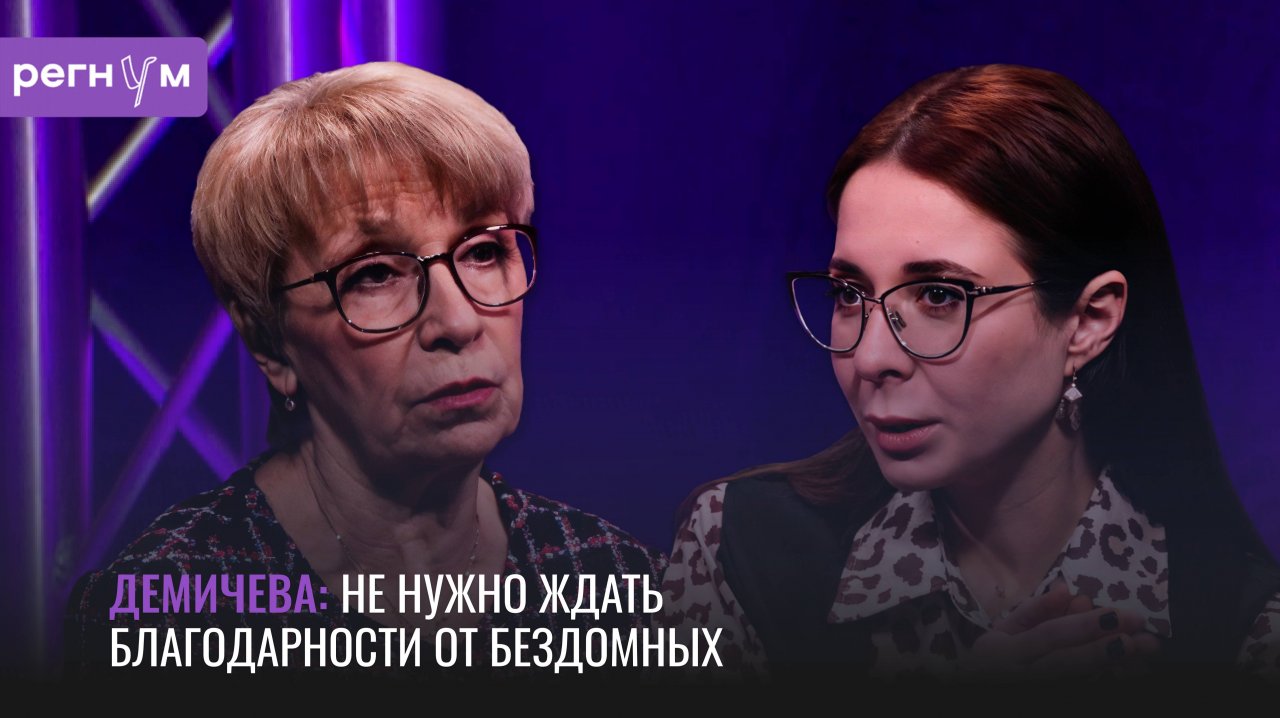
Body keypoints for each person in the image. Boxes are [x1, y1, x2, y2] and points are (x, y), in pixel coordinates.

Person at [660, 64, 1279, 681]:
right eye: (849, 294)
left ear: (1089, 320)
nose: (871, 358)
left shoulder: (1241, 627)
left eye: (939, 296)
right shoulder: (738, 548)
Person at [65, 61, 666, 676]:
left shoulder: (618, 583)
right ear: (269, 341)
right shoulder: (166, 615)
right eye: (374, 273)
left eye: (485, 251)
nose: (458, 322)